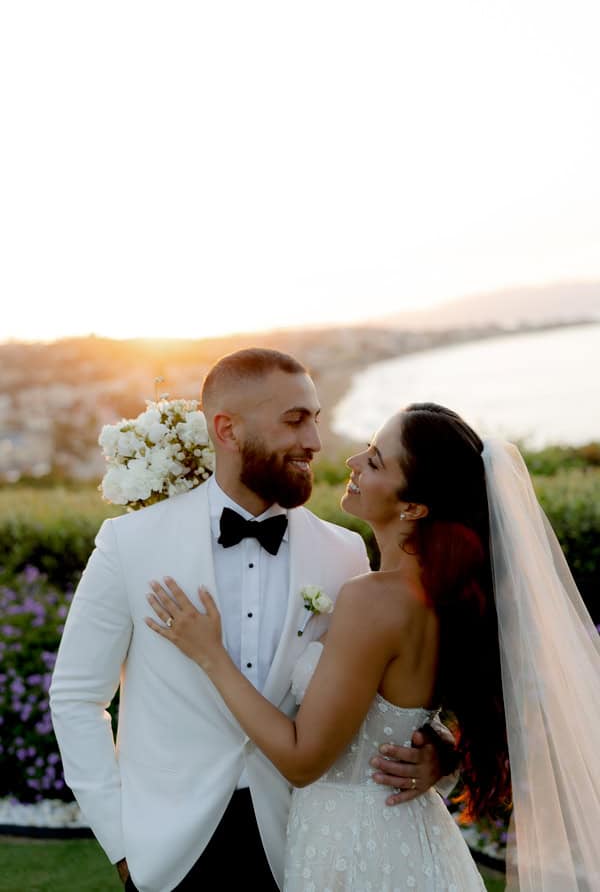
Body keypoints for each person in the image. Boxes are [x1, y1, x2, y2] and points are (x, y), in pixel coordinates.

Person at [148, 402, 600, 890]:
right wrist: (442, 749)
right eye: (366, 448)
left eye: (376, 461)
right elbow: (411, 710)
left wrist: (210, 655)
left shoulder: (375, 600)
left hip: (357, 847)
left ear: (413, 507)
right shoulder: (442, 594)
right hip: (409, 835)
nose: (352, 463)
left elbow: (302, 762)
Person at [49, 350, 450, 892]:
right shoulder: (130, 543)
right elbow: (76, 697)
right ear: (227, 429)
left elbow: (382, 686)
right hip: (168, 852)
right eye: (294, 419)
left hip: (300, 844)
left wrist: (439, 752)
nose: (315, 440)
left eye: (315, 417)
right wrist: (121, 839)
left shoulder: (344, 553)